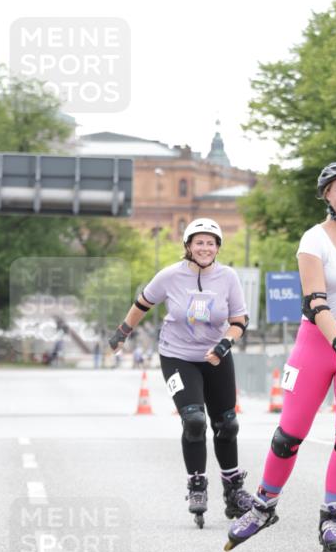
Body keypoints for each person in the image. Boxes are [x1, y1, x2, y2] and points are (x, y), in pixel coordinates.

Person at [225, 161, 336, 552]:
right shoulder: (313, 239)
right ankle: (264, 506)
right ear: (326, 195)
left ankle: (332, 517)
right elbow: (315, 301)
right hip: (318, 341)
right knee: (289, 435)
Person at [108, 217, 252, 528]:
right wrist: (122, 332)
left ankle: (234, 490)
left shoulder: (228, 277)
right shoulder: (170, 276)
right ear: (188, 246)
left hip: (216, 356)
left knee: (226, 424)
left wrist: (226, 344)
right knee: (194, 419)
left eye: (210, 243)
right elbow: (142, 303)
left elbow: (239, 320)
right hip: (177, 356)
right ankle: (196, 485)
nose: (204, 248)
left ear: (217, 248)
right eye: (198, 242)